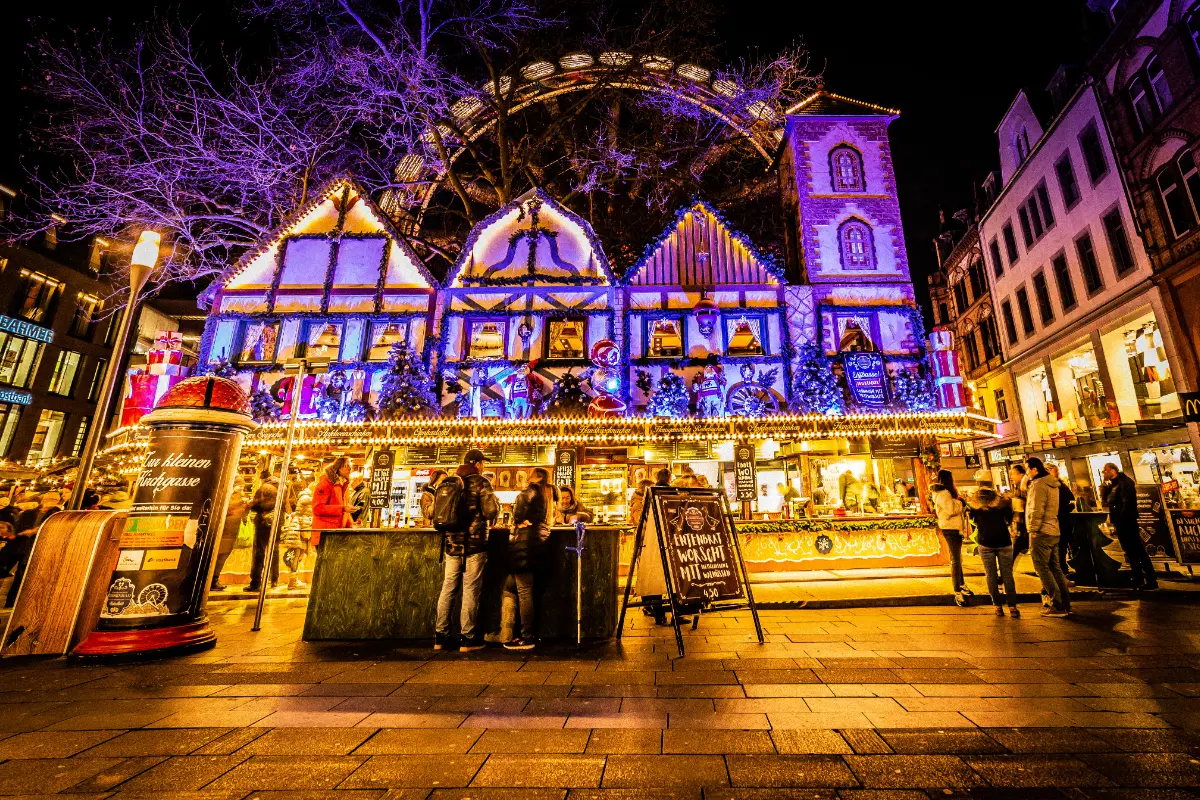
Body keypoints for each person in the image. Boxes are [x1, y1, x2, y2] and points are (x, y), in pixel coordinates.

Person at [435, 449, 499, 651]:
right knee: (470, 589)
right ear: (478, 464)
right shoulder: (481, 483)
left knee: (448, 588)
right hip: (474, 545)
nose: (484, 467)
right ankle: (468, 638)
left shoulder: (451, 481)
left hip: (452, 544)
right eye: (483, 463)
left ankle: (441, 636)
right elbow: (491, 512)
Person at [505, 467, 552, 650]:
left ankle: (526, 636)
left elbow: (519, 514)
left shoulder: (530, 491)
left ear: (537, 477)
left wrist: (517, 520)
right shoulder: (547, 493)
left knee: (524, 591)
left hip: (525, 543)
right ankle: (524, 632)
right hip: (538, 543)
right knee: (524, 589)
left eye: (530, 473)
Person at [1102, 461, 1158, 590]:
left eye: (1105, 470)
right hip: (1120, 522)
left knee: (1137, 549)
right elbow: (1106, 501)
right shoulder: (1113, 485)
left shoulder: (1125, 483)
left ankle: (1150, 579)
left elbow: (1127, 503)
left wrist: (1122, 517)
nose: (1104, 473)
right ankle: (1138, 577)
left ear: (1112, 470)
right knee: (1129, 551)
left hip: (1127, 522)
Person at [1026, 457, 1071, 616]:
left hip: (1042, 531)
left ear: (1034, 470)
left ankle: (1057, 604)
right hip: (1053, 529)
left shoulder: (1039, 485)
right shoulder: (1053, 484)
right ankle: (1065, 603)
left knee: (1042, 568)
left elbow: (1036, 509)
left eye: (1027, 469)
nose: (1026, 472)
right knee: (1055, 568)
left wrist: (1033, 529)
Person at [966, 480, 1019, 616]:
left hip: (985, 541)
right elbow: (1009, 520)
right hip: (1004, 541)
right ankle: (1012, 607)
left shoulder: (974, 505)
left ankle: (997, 606)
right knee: (1007, 575)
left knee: (991, 575)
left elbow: (973, 521)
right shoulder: (1004, 502)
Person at [5, 491, 62, 607]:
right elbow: (18, 527)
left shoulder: (56, 514)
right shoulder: (29, 513)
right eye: (48, 497)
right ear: (43, 499)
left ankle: (20, 602)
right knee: (18, 573)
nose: (50, 501)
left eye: (54, 499)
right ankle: (11, 601)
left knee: (26, 574)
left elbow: (51, 527)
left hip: (38, 546)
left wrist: (34, 531)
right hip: (21, 545)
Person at [930, 470, 971, 607]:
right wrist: (960, 503)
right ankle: (957, 590)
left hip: (953, 527)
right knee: (955, 560)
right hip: (950, 528)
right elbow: (951, 510)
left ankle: (962, 584)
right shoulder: (944, 494)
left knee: (957, 558)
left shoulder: (944, 493)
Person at [249, 470, 290, 593]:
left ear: (263, 478)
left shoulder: (264, 488)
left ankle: (256, 583)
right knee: (274, 551)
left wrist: (251, 504)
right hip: (277, 522)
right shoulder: (283, 487)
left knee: (259, 552)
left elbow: (257, 505)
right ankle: (274, 580)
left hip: (264, 522)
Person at [212, 484, 247, 591]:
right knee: (219, 556)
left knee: (223, 556)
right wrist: (241, 503)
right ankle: (212, 580)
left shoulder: (240, 496)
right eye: (238, 484)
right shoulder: (228, 496)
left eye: (242, 485)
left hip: (232, 531)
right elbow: (225, 509)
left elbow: (241, 513)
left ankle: (214, 579)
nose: (241, 487)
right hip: (224, 531)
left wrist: (247, 507)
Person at [311, 457, 352, 546]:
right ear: (339, 468)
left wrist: (350, 524)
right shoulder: (325, 484)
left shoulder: (342, 485)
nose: (350, 469)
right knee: (326, 560)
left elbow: (342, 510)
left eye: (350, 466)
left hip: (335, 534)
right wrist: (342, 509)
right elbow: (318, 508)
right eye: (346, 466)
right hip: (325, 535)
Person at [1048, 464, 1076, 579]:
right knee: (1060, 548)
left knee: (1061, 548)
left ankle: (1062, 571)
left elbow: (1070, 500)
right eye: (1055, 472)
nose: (1057, 474)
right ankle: (1061, 571)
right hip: (1059, 521)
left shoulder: (1059, 485)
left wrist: (1067, 507)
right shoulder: (1053, 485)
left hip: (1061, 521)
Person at [1007, 464, 1029, 571]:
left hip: (1027, 525)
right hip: (1022, 525)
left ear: (1021, 474)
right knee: (1015, 550)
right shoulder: (1019, 486)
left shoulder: (1026, 485)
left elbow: (1028, 504)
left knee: (1015, 550)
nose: (1011, 477)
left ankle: (1005, 573)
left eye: (1013, 474)